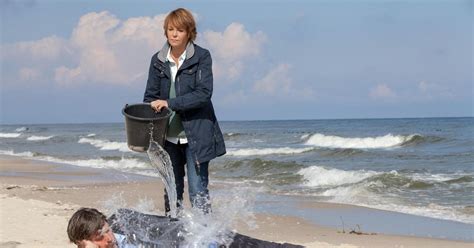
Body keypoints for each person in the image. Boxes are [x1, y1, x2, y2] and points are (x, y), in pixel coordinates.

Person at [143, 8, 226, 215]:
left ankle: (205, 238)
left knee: (198, 191)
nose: (174, 34)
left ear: (190, 32)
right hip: (167, 137)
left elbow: (204, 93)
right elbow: (150, 97)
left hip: (196, 135)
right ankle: (174, 235)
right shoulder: (157, 60)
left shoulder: (202, 56)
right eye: (170, 29)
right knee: (172, 191)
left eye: (179, 30)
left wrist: (169, 102)